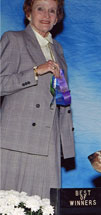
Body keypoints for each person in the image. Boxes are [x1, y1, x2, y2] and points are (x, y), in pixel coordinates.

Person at [0, 0, 75, 199]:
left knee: (45, 211)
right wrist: (35, 72)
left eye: (52, 11)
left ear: (58, 18)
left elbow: (62, 98)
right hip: (16, 139)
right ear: (28, 13)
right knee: (10, 212)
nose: (46, 15)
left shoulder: (57, 49)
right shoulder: (13, 39)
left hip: (49, 139)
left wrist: (65, 142)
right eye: (40, 8)